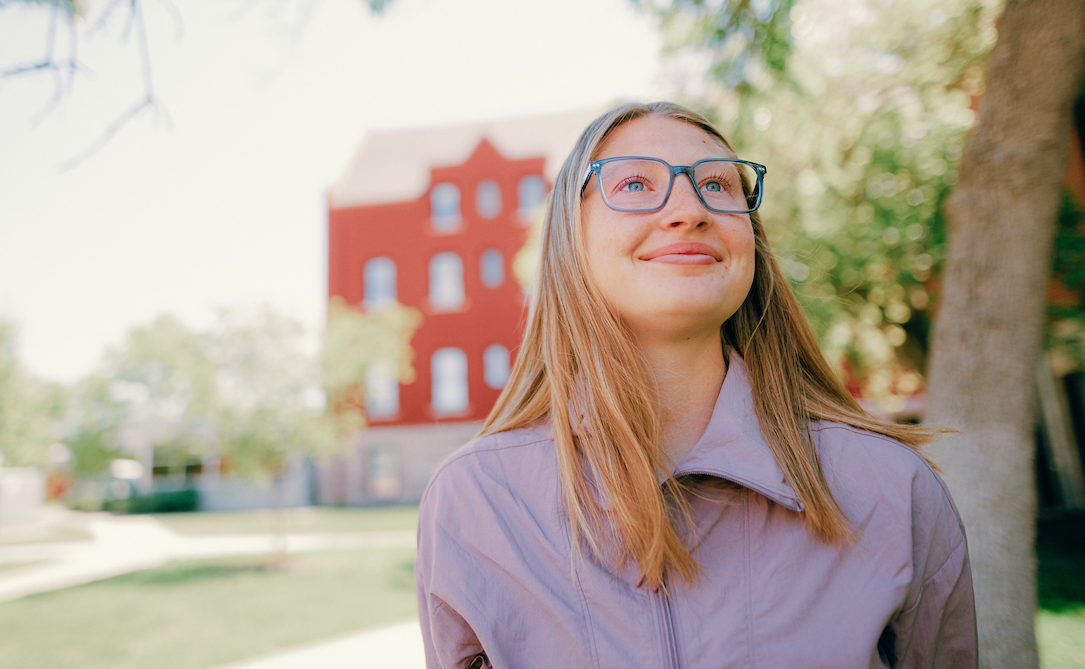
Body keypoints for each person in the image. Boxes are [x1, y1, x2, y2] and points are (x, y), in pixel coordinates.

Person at [415, 101, 976, 669]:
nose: (689, 210)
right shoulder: (471, 502)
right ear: (571, 234)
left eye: (717, 184)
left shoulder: (892, 490)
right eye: (635, 182)